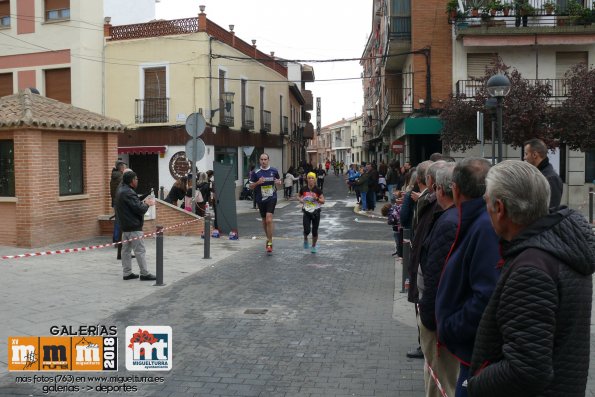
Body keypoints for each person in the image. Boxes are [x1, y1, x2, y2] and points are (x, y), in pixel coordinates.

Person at [467, 160, 594, 397]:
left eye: (487, 204)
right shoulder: (560, 248)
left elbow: (527, 369)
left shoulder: (532, 267)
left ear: (500, 208)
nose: (487, 211)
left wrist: (476, 383)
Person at [435, 158, 500, 397]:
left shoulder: (483, 226)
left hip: (477, 354)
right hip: (471, 352)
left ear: (455, 189)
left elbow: (486, 294)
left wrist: (451, 327)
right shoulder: (476, 220)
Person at [417, 162, 459, 397]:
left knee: (441, 382)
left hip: (440, 317)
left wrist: (428, 317)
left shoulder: (447, 221)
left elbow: (436, 273)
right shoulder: (451, 216)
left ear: (440, 189)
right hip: (445, 316)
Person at [114, 170, 156, 281]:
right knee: (140, 250)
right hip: (133, 227)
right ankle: (144, 273)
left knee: (126, 251)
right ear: (132, 180)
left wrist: (143, 198)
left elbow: (132, 203)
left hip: (125, 226)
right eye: (136, 179)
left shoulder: (121, 190)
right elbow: (139, 209)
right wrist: (147, 204)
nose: (137, 181)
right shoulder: (128, 192)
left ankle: (127, 273)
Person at [249, 153, 282, 254]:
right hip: (260, 199)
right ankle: (268, 238)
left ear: (268, 160)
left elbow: (279, 181)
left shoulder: (274, 171)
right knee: (264, 221)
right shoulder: (256, 172)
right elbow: (250, 186)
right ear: (259, 160)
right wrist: (257, 183)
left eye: (265, 159)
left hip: (272, 197)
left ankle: (270, 242)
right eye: (262, 159)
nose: (263, 161)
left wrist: (278, 182)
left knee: (269, 219)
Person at [523, 138, 563, 209]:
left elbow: (551, 211)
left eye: (526, 154)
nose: (524, 157)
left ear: (534, 155)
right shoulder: (539, 174)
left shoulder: (551, 178)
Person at [299, 172, 325, 254]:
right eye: (309, 178)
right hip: (306, 211)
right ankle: (305, 238)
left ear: (315, 180)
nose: (310, 180)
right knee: (306, 230)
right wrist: (300, 200)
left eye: (312, 178)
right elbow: (298, 196)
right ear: (307, 179)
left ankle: (313, 246)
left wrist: (316, 198)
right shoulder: (303, 189)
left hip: (316, 212)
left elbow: (323, 201)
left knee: (314, 230)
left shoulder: (318, 190)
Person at [110, 160, 127, 244]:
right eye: (125, 167)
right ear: (121, 168)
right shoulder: (121, 177)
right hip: (119, 201)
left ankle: (117, 239)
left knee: (118, 220)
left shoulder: (114, 176)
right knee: (119, 221)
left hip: (115, 201)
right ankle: (117, 240)